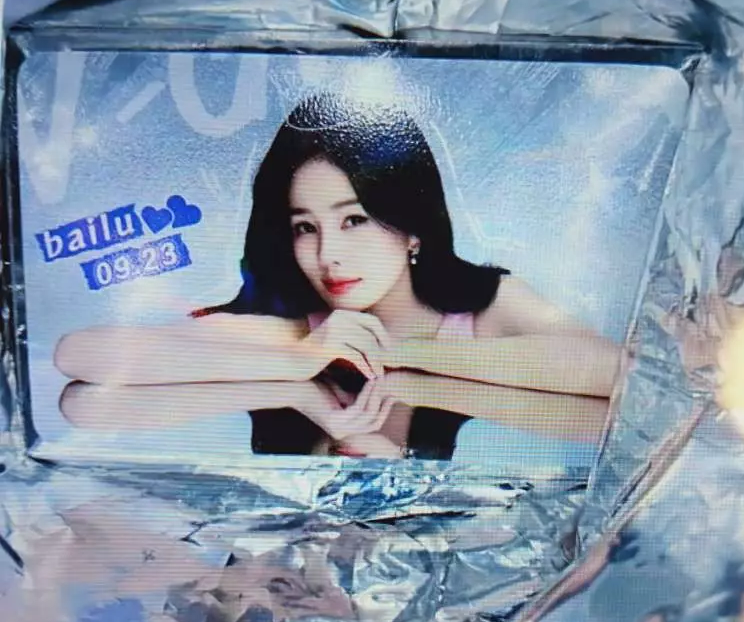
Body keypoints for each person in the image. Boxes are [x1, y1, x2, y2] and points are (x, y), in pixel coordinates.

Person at [55, 93, 620, 454]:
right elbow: (80, 380)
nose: (328, 255)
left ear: (411, 226)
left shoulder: (482, 304)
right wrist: (296, 375)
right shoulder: (299, 326)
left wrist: (408, 364)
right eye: (305, 227)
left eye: (354, 220)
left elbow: (619, 381)